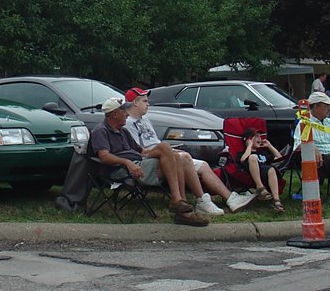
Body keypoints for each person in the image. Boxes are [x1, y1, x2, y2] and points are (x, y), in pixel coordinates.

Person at [123, 87, 256, 216]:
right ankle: (201, 201)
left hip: (164, 154)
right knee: (185, 157)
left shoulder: (144, 119)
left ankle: (229, 199)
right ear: (135, 102)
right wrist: (166, 151)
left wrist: (169, 149)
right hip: (152, 161)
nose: (148, 104)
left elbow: (155, 142)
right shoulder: (128, 123)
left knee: (203, 165)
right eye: (145, 101)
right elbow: (140, 151)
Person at [90, 96, 208, 226]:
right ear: (114, 114)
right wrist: (127, 163)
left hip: (139, 163)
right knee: (164, 148)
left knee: (173, 155)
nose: (127, 114)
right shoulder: (101, 131)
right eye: (123, 111)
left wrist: (167, 153)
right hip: (122, 170)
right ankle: (181, 207)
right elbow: (104, 156)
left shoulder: (123, 132)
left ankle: (180, 203)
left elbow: (141, 152)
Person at [239, 127, 286, 212]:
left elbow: (280, 159)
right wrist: (249, 146)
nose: (259, 138)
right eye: (256, 136)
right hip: (250, 175)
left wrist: (269, 146)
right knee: (253, 157)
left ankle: (276, 200)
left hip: (266, 175)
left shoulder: (262, 154)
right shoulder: (243, 153)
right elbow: (242, 160)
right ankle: (260, 188)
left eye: (260, 136)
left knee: (271, 169)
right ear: (248, 139)